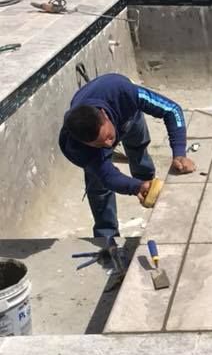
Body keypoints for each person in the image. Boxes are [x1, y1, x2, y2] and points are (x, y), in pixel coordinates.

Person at [59, 73, 195, 239]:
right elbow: (107, 175)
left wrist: (179, 152)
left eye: (108, 136)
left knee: (138, 146)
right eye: (100, 144)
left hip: (126, 116)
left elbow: (172, 110)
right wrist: (134, 187)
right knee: (99, 186)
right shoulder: (74, 146)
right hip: (99, 138)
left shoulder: (123, 93)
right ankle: (107, 237)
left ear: (105, 114)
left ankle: (146, 179)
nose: (110, 145)